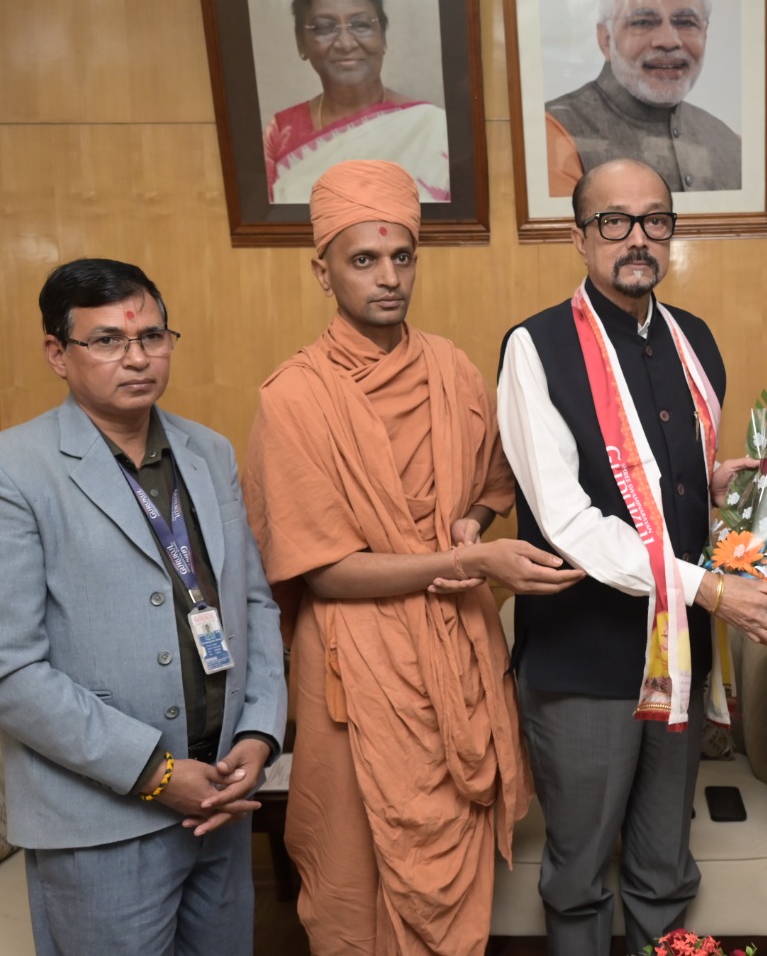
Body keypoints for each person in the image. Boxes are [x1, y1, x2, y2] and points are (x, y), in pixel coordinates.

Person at [243, 160, 580, 956]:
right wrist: (474, 566)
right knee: (355, 876)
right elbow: (324, 570)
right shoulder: (292, 397)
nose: (389, 279)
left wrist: (468, 523)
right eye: (363, 260)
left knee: (454, 865)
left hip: (456, 656)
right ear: (321, 270)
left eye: (402, 258)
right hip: (356, 674)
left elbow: (492, 482)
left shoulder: (451, 367)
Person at [497, 158, 767, 953]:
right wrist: (708, 592)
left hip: (682, 659)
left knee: (666, 867)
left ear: (672, 231)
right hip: (586, 662)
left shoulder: (692, 338)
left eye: (655, 220)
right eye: (614, 221)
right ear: (579, 236)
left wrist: (723, 483)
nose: (637, 238)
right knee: (581, 873)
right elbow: (568, 519)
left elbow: (669, 486)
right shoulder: (535, 348)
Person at [0, 258, 287, 956]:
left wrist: (258, 736)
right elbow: (3, 669)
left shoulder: (207, 451)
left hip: (221, 802)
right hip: (101, 820)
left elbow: (253, 603)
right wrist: (157, 775)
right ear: (57, 354)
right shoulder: (3, 472)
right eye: (106, 341)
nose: (136, 358)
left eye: (152, 337)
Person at [545, 0, 741, 197]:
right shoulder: (554, 132)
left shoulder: (730, 143)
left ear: (705, 34)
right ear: (605, 40)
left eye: (685, 22)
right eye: (643, 22)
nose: (669, 41)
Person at [264, 0, 450, 204]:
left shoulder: (432, 128)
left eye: (361, 24)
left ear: (382, 35)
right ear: (301, 43)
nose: (345, 43)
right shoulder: (280, 134)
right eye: (324, 27)